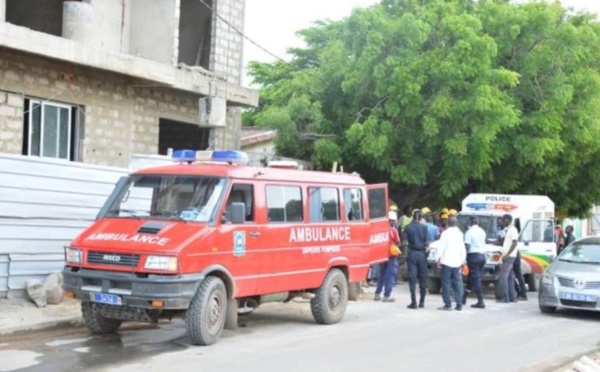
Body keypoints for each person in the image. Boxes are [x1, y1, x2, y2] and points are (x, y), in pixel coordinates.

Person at [437, 216, 466, 311]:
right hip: (457, 262)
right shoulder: (460, 234)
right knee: (457, 283)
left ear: (448, 223)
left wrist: (438, 259)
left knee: (446, 283)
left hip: (446, 262)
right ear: (456, 223)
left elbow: (441, 247)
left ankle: (447, 304)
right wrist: (463, 261)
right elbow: (463, 248)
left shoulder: (445, 233)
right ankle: (459, 304)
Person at [402, 210, 430, 309]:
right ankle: (422, 301)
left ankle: (413, 301)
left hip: (412, 254)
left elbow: (404, 243)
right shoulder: (424, 228)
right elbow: (427, 244)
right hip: (422, 255)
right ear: (421, 218)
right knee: (423, 278)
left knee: (412, 278)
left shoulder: (408, 227)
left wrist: (405, 256)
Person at [374, 212, 401, 302]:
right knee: (390, 275)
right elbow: (398, 242)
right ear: (392, 221)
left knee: (382, 274)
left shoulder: (381, 230)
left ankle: (377, 294)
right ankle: (387, 295)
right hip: (391, 256)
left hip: (382, 255)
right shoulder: (393, 230)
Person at [464, 216, 487, 309]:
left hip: (473, 256)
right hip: (482, 256)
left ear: (470, 222)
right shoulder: (482, 231)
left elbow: (467, 246)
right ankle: (463, 297)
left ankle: (481, 301)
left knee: (475, 278)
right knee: (472, 277)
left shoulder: (469, 232)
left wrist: (463, 258)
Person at [497, 214, 518, 303]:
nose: (501, 222)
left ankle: (505, 298)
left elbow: (514, 243)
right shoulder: (509, 229)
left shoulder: (512, 230)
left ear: (507, 220)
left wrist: (507, 255)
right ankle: (512, 296)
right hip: (509, 256)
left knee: (503, 277)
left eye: (503, 220)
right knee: (509, 277)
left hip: (509, 257)